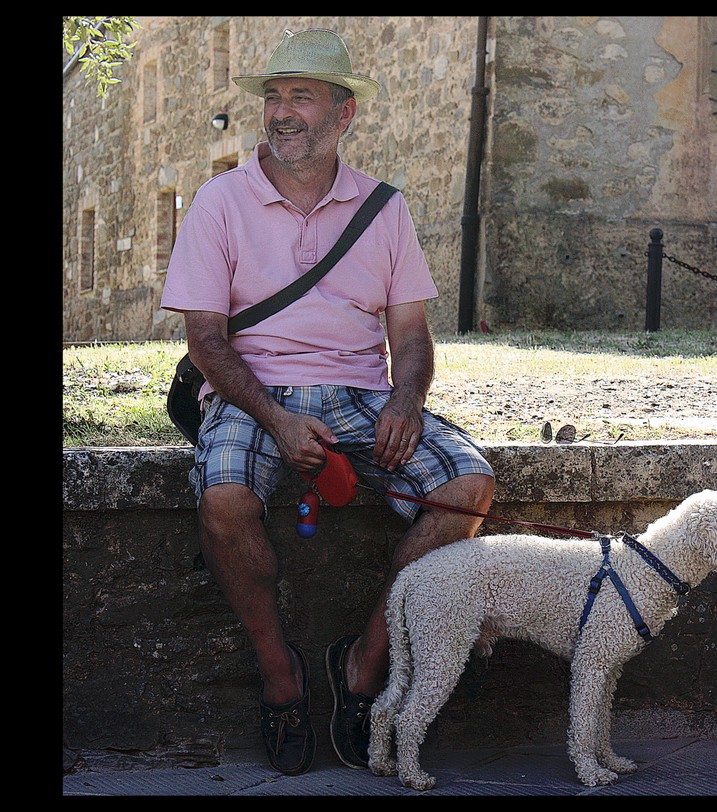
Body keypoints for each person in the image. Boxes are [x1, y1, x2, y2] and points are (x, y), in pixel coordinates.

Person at [160, 28, 495, 776]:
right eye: (274, 97)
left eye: (300, 98)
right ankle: (281, 677)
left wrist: (406, 400)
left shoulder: (384, 209)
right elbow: (206, 341)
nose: (281, 113)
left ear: (344, 115)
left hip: (359, 397)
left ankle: (362, 664)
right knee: (223, 499)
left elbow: (410, 332)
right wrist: (275, 420)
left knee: (467, 485)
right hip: (252, 396)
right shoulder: (219, 201)